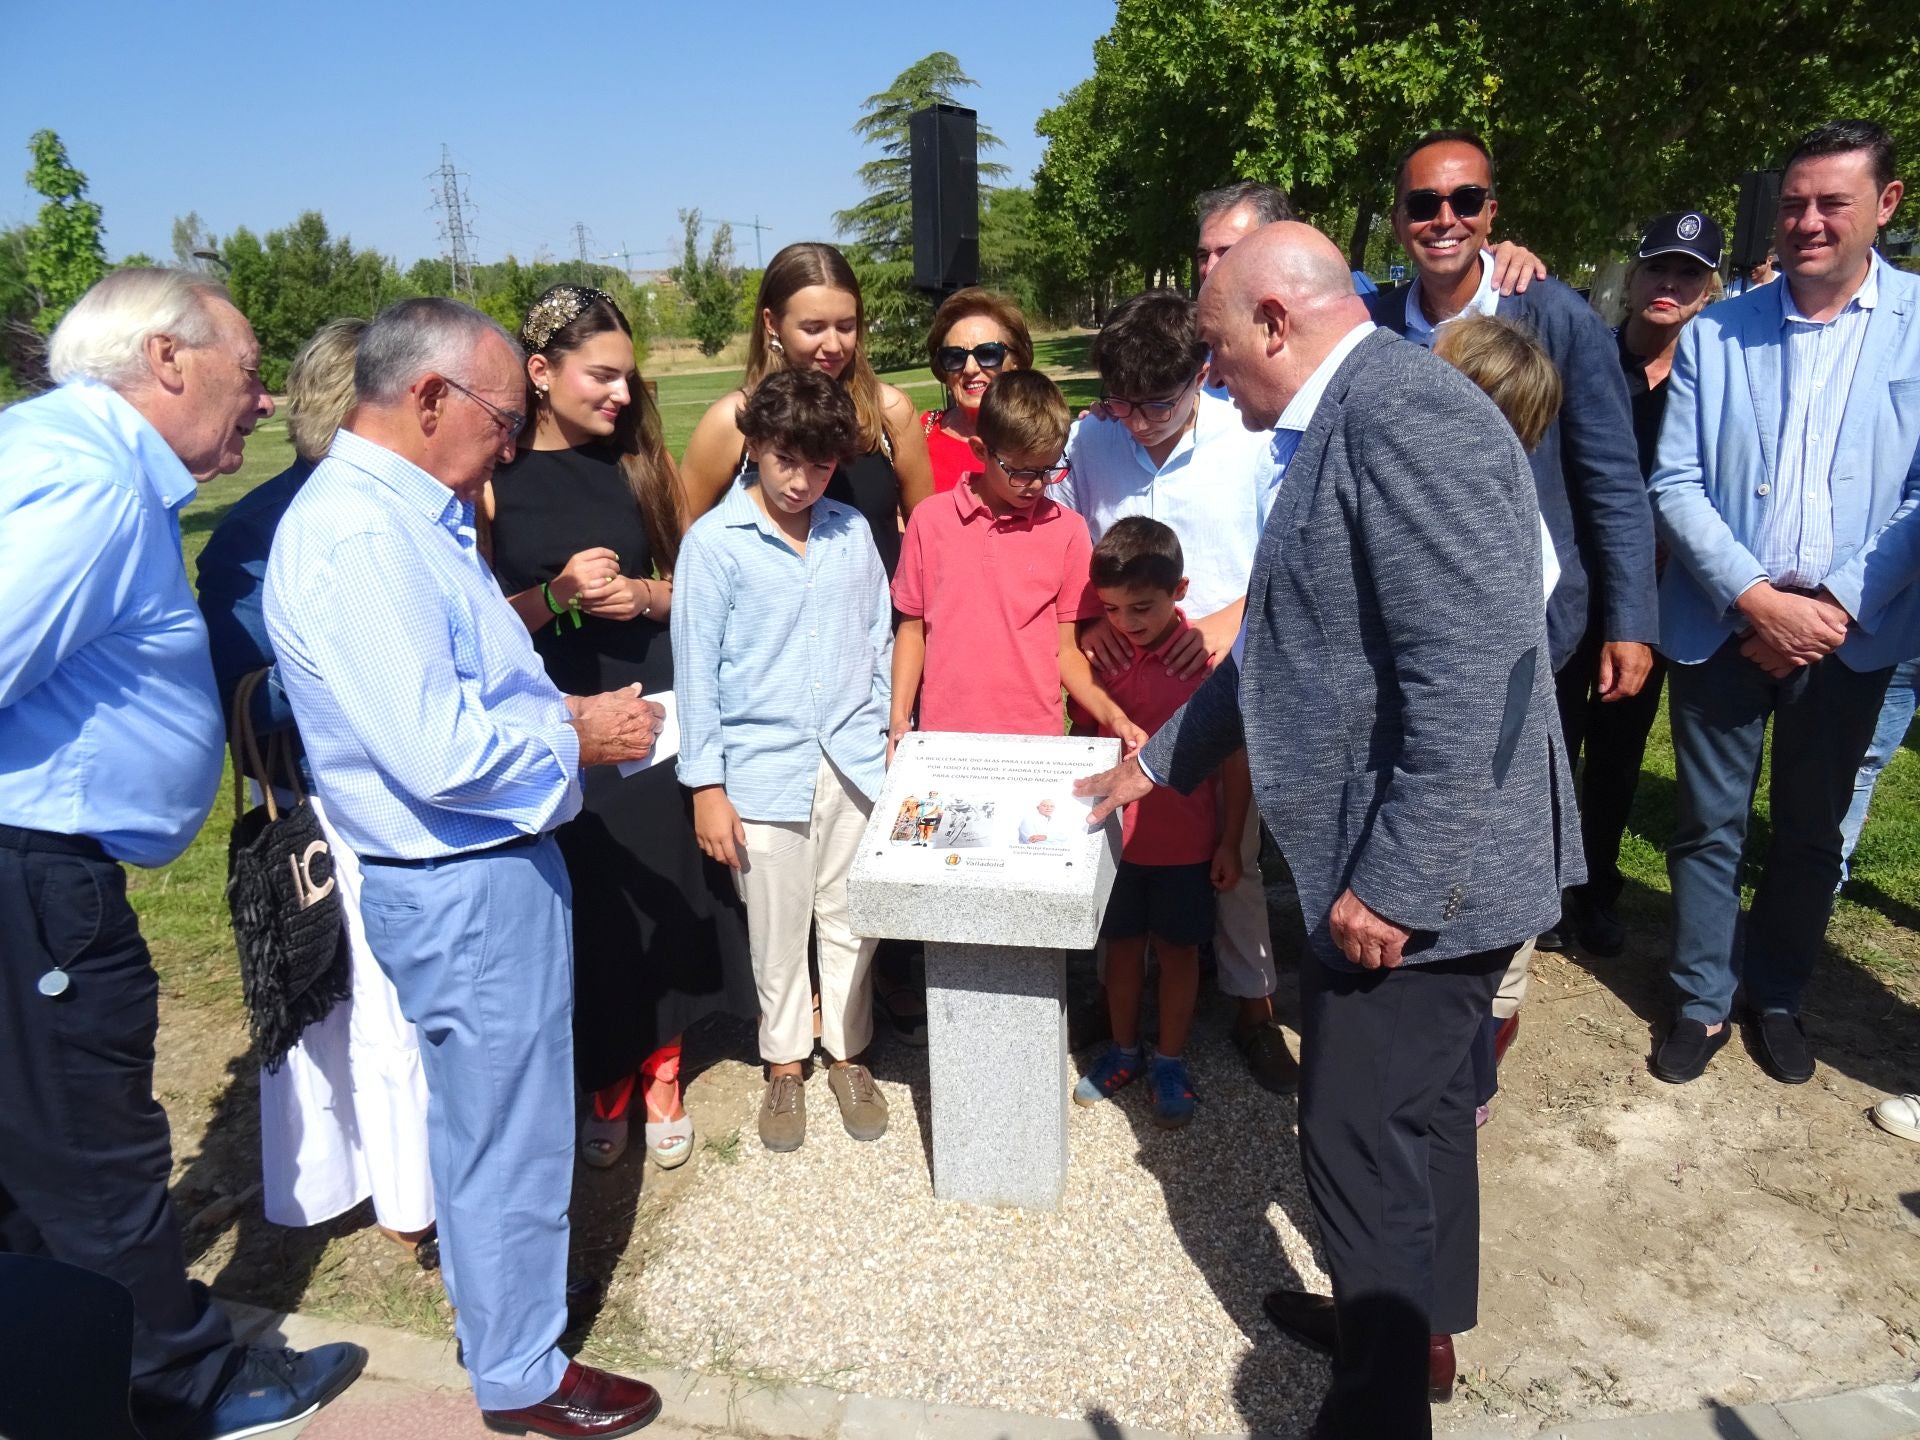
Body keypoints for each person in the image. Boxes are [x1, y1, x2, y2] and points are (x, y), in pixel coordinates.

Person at [1080, 221, 1581, 1438]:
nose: (1209, 379)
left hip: (1430, 882)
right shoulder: (1343, 417)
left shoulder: (1402, 412)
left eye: (1213, 350)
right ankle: (1404, 1334)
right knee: (1414, 1124)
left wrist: (1400, 883)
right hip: (1415, 861)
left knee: (1360, 1138)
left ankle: (1376, 1407)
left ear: (1272, 321)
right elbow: (1281, 651)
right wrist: (1154, 762)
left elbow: (1471, 665)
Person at [264, 296, 667, 1437]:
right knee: (505, 1129)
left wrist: (561, 709)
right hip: (463, 874)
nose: (514, 433)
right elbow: (435, 748)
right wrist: (577, 736)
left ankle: (504, 1325)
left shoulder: (408, 513)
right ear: (428, 397)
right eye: (503, 412)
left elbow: (462, 691)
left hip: (482, 866)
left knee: (497, 1119)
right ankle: (522, 1372)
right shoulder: (359, 534)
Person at [0, 267, 366, 1440]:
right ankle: (188, 1383)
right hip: (34, 876)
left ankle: (54, 1364)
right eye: (250, 374)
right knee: (88, 1147)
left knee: (30, 1146)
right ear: (167, 360)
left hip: (31, 871)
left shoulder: (59, 454)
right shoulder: (90, 486)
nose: (263, 403)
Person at [1648, 119, 1919, 1088]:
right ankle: (1699, 1000)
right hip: (1727, 624)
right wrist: (1758, 601)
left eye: (1831, 203)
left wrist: (1832, 608)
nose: (1808, 221)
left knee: (1810, 834)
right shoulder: (1718, 331)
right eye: (1795, 202)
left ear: (1885, 205)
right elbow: (1674, 481)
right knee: (1707, 828)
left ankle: (1776, 995)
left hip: (1853, 634)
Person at [483, 285, 755, 1173]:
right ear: (540, 371)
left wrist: (641, 594)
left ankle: (665, 1066)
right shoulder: (493, 486)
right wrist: (556, 596)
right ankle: (606, 1072)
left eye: (629, 379)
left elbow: (699, 592)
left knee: (665, 878)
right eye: (602, 376)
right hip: (561, 715)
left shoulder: (642, 467)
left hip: (655, 707)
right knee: (595, 896)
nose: (623, 396)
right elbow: (478, 632)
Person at [1366, 129, 1658, 952]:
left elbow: (1610, 475)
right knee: (1427, 781)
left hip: (1537, 619)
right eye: (1424, 204)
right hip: (1410, 621)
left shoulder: (1556, 316)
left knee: (1518, 797)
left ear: (1492, 212)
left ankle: (1500, 954)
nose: (1444, 219)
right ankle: (1421, 927)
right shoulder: (1373, 325)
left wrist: (1630, 620)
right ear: (1399, 221)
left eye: (1465, 201)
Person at [197, 317, 436, 1246]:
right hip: (324, 807)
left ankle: (404, 1183)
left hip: (395, 789)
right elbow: (245, 706)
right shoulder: (253, 540)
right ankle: (368, 1187)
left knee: (385, 1010)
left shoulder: (402, 508)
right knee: (351, 1009)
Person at [1056, 288, 1295, 1091]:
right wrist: (1088, 619)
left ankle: (1252, 1006)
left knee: (1231, 852)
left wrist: (1226, 620)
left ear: (1203, 374)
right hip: (1119, 690)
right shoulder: (1094, 439)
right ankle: (1119, 1005)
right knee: (1117, 843)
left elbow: (1289, 554)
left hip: (1218, 681)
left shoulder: (1250, 437)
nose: (1136, 421)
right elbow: (1065, 541)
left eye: (1155, 403)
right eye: (1119, 402)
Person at [673, 368, 895, 1155]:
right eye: (786, 461)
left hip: (852, 763)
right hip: (763, 769)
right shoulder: (714, 545)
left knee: (849, 918)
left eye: (821, 464)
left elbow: (878, 635)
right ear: (756, 448)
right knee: (775, 928)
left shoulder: (850, 531)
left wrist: (880, 724)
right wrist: (706, 784)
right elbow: (697, 673)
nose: (803, 481)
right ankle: (782, 1064)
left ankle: (848, 1052)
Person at [1560, 212, 1724, 956]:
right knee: (1555, 740)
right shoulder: (1592, 362)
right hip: (1574, 585)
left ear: (1706, 288)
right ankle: (1550, 887)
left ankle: (1598, 890)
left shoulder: (1709, 382)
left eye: (1686, 273)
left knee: (1621, 749)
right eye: (1658, 269)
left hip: (1653, 597)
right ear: (1633, 278)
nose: (1668, 285)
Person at [1071, 516, 1252, 1130]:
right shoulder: (1106, 659)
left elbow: (1234, 757)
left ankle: (1170, 1059)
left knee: (1178, 954)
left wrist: (1229, 840)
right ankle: (1124, 1050)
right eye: (1113, 609)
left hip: (1186, 845)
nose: (1126, 623)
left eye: (1141, 607)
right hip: (1117, 844)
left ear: (1181, 591)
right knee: (1121, 951)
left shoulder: (1206, 662)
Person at [1431, 312, 1566, 1126]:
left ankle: (1468, 1092)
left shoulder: (1495, 535)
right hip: (1494, 799)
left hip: (1481, 798)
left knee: (1484, 979)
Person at [890, 369, 1141, 750]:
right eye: (1022, 472)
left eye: (1048, 470)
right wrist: (899, 720)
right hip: (944, 743)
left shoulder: (1068, 531)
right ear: (980, 450)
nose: (1037, 485)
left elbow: (1067, 651)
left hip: (1033, 744)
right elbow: (912, 632)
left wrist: (1114, 716)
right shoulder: (929, 521)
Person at [681, 241, 933, 575]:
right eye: (813, 329)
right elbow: (683, 540)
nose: (833, 346)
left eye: (846, 326)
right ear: (772, 323)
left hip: (880, 624)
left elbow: (926, 535)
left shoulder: (889, 410)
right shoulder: (733, 419)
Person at [1194, 178, 1547, 294]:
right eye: (1203, 255)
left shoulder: (1351, 309)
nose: (1210, 268)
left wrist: (1495, 259)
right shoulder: (1188, 355)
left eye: (1227, 252)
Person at [921, 287, 1034, 494]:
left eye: (988, 353)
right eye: (955, 357)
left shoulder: (1043, 431)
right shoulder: (919, 436)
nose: (970, 368)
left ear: (1016, 362)